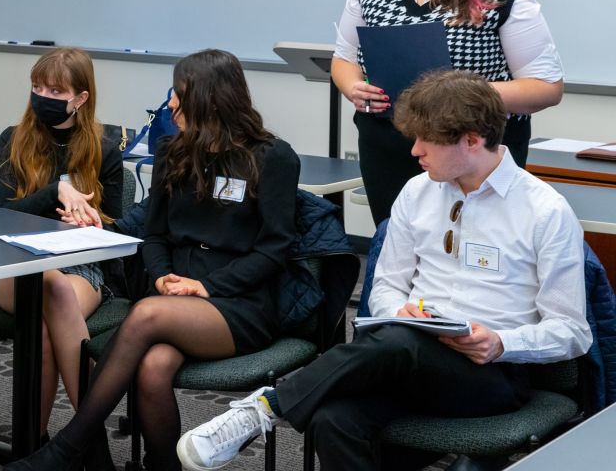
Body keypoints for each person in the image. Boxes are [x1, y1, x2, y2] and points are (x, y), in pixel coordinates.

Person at [177, 69, 592, 471]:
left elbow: (573, 332)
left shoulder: (544, 211)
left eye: (427, 140)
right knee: (333, 419)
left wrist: (501, 343)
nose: (415, 151)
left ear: (472, 140)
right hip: (406, 360)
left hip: (492, 375)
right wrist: (400, 311)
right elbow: (387, 287)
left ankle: (267, 406)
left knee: (399, 342)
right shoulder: (417, 192)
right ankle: (270, 406)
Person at [3, 49, 302, 471]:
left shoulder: (271, 157)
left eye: (179, 94)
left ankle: (68, 448)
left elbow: (274, 249)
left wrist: (207, 286)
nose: (171, 103)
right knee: (152, 367)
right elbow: (154, 234)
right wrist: (161, 276)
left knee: (144, 314)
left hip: (238, 302)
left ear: (210, 100)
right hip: (173, 292)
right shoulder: (172, 151)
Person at [331, 0, 564, 225]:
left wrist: (460, 96)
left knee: (476, 243)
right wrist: (353, 87)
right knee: (397, 238)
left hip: (470, 150)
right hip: (388, 146)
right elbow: (344, 58)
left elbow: (546, 87)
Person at [0, 47, 123, 435]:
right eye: (37, 87)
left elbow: (116, 231)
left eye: (56, 91)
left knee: (46, 324)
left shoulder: (104, 149)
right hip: (14, 262)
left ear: (80, 99)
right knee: (51, 287)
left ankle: (34, 445)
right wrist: (55, 193)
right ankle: (88, 443)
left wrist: (91, 225)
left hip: (79, 264)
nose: (43, 97)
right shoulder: (14, 139)